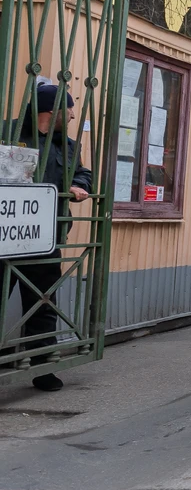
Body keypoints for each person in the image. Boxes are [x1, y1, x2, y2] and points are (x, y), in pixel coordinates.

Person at [10, 84, 91, 392]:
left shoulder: (69, 146)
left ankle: (43, 367)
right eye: (68, 108)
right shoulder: (12, 133)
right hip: (6, 237)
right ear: (51, 111)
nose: (72, 114)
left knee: (43, 305)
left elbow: (83, 173)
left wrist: (77, 185)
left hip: (46, 239)